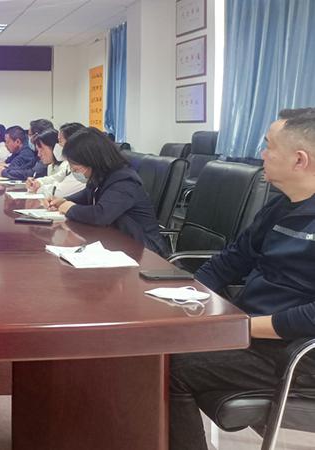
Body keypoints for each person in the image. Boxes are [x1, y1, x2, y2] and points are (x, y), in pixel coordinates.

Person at [170, 108, 315, 450]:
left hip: (296, 352)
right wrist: (186, 295)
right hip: (253, 332)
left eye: (269, 146)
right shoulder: (280, 206)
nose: (262, 154)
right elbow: (232, 260)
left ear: (299, 160)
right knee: (156, 343)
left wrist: (244, 327)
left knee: (169, 365)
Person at [44, 127, 168, 256]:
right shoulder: (102, 175)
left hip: (144, 248)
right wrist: (64, 201)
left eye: (76, 168)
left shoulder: (124, 181)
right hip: (118, 240)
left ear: (91, 160)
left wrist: (70, 209)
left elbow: (101, 215)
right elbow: (87, 194)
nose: (74, 171)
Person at [27, 122, 87, 198]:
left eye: (60, 141)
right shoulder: (68, 165)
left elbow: (60, 192)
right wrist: (38, 182)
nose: (57, 145)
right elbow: (56, 177)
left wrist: (38, 188)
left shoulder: (82, 166)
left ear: (72, 142)